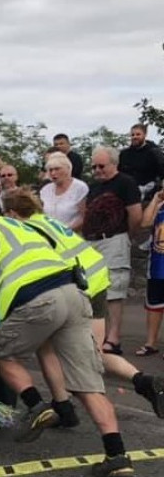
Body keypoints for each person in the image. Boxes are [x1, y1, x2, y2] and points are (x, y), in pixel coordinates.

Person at [0, 198, 136, 477]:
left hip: (39, 300)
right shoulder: (25, 228)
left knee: (1, 353)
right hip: (74, 294)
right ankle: (117, 454)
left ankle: (37, 406)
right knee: (88, 383)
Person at [0, 189, 164, 423]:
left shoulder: (26, 230)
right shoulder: (47, 220)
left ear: (13, 213)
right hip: (96, 277)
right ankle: (142, 381)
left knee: (50, 348)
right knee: (91, 354)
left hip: (77, 284)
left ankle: (64, 407)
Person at [81, 146, 142, 355]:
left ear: (114, 164)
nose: (97, 170)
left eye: (101, 166)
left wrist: (126, 235)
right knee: (93, 288)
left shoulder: (125, 183)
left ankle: (114, 338)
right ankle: (98, 333)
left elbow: (135, 214)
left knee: (114, 288)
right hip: (92, 242)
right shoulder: (93, 187)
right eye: (93, 166)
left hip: (114, 238)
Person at [138, 190, 164, 356]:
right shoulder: (160, 206)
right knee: (154, 306)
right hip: (158, 265)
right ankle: (150, 343)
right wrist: (155, 199)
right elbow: (145, 222)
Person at [39, 152, 88, 230]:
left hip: (73, 236)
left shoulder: (80, 187)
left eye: (57, 169)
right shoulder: (45, 190)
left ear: (68, 168)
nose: (53, 173)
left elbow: (84, 216)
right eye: (50, 170)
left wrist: (66, 230)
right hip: (50, 236)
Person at [119, 123, 164, 202]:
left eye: (138, 134)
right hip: (127, 192)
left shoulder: (154, 153)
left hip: (148, 193)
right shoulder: (124, 154)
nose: (135, 137)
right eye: (132, 135)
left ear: (145, 135)